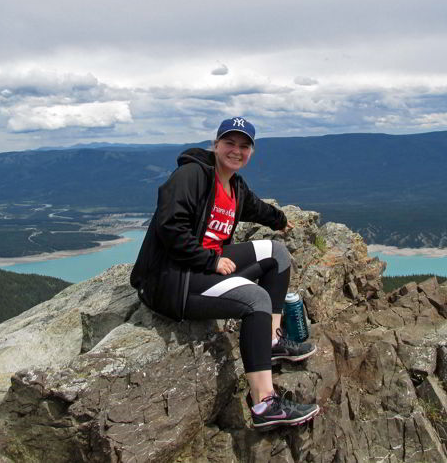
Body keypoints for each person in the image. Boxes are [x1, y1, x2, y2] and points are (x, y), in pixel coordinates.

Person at [130, 116, 320, 430]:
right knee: (256, 299)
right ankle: (264, 404)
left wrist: (280, 220)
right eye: (229, 143)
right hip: (172, 281)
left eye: (244, 145)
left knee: (278, 254)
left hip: (201, 267)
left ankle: (271, 342)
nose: (236, 150)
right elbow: (169, 225)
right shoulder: (192, 175)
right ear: (216, 144)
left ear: (252, 151)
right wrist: (208, 260)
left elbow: (255, 207)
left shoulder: (233, 185)